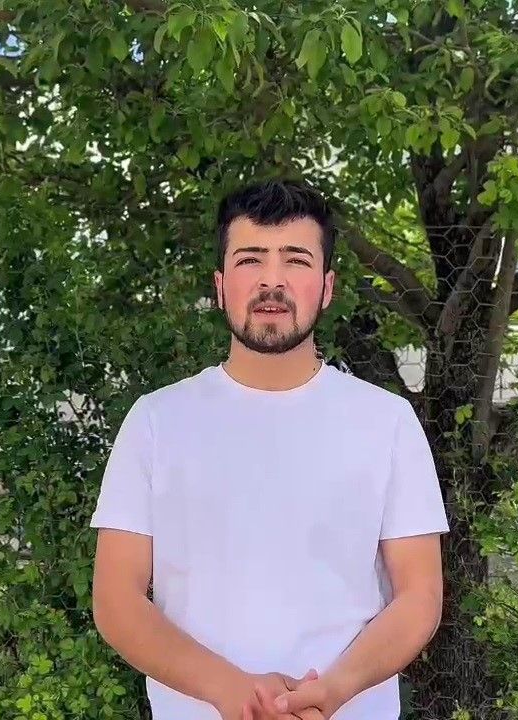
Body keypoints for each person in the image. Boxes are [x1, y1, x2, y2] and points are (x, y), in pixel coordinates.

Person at [89, 179, 449, 719]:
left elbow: (420, 597)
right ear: (220, 285)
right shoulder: (156, 422)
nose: (272, 280)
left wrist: (333, 691)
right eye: (250, 259)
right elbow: (116, 601)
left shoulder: (387, 422)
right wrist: (231, 692)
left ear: (327, 287)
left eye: (296, 260)